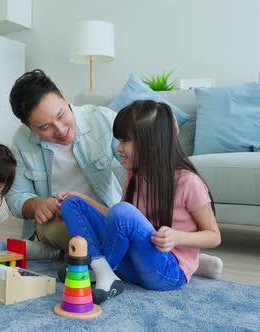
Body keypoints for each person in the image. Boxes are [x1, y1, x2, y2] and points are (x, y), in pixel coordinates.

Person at [58, 100, 222, 304]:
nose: (119, 148)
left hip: (166, 271)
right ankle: (102, 270)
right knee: (71, 204)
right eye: (119, 140)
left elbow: (214, 237)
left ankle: (100, 270)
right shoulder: (134, 176)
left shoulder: (188, 182)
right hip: (134, 264)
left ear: (152, 143)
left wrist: (177, 238)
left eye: (125, 140)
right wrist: (83, 199)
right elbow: (117, 220)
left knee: (123, 211)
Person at [6, 69, 122, 258]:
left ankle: (71, 254)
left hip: (104, 213)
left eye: (60, 115)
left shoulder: (102, 119)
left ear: (63, 95)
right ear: (27, 125)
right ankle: (103, 253)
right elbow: (15, 197)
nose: (60, 130)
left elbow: (141, 163)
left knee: (121, 223)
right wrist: (36, 204)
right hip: (59, 222)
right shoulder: (21, 141)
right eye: (44, 127)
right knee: (66, 232)